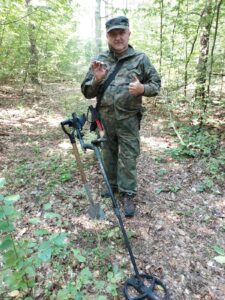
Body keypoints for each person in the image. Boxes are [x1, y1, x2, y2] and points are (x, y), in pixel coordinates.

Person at [81, 16, 161, 217]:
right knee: (109, 153)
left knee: (128, 155)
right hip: (105, 119)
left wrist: (142, 88)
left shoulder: (140, 59)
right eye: (113, 34)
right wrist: (97, 81)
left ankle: (127, 194)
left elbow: (156, 84)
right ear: (107, 36)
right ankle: (112, 186)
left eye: (121, 33)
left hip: (129, 119)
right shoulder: (100, 60)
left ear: (128, 34)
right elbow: (87, 92)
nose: (118, 37)